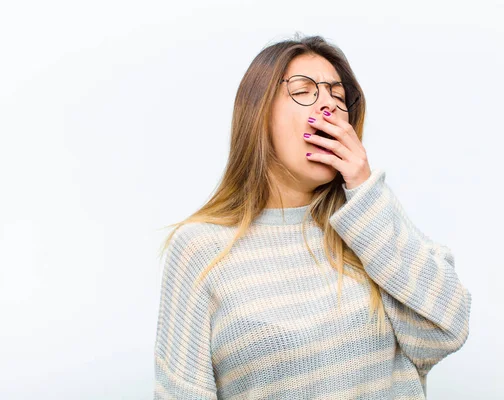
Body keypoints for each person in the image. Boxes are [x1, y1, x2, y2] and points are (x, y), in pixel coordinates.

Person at [153, 33, 472, 399]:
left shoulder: (370, 223)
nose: (329, 107)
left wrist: (364, 191)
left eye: (338, 96)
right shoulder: (201, 248)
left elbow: (449, 328)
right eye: (304, 90)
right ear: (258, 113)